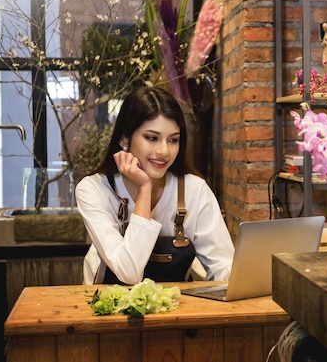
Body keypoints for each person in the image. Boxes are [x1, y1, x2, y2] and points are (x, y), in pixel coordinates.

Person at [76, 86, 234, 285]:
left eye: (173, 140)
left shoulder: (195, 189)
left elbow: (223, 265)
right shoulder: (93, 189)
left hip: (177, 307)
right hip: (107, 306)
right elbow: (129, 273)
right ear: (124, 138)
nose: (164, 151)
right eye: (152, 138)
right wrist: (145, 188)